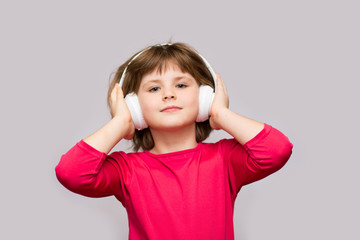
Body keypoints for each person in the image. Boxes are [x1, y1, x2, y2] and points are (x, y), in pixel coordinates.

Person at [55, 42, 293, 240]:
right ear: (134, 107)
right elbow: (71, 173)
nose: (169, 94)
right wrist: (120, 123)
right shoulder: (126, 170)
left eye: (181, 85)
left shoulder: (225, 159)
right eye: (154, 89)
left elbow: (277, 150)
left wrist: (221, 114)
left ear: (204, 97)